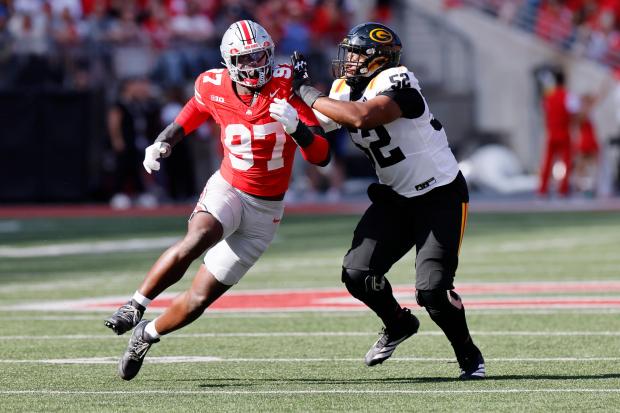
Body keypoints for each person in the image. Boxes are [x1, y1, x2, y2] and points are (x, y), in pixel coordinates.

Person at [105, 20, 330, 381]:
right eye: (247, 58)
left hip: (267, 207)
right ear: (229, 60)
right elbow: (191, 114)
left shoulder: (288, 85)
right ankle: (135, 304)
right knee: (200, 236)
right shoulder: (212, 84)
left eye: (261, 56)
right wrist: (164, 141)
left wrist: (297, 128)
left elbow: (321, 155)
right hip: (229, 185)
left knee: (199, 298)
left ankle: (146, 333)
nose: (256, 65)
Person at [290, 22, 485, 379]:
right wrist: (289, 114)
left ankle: (469, 356)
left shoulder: (400, 82)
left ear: (378, 58)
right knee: (357, 273)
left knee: (432, 292)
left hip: (438, 194)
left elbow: (365, 116)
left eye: (355, 53)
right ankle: (397, 323)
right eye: (347, 52)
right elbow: (317, 128)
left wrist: (306, 92)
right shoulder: (344, 89)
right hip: (396, 196)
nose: (348, 60)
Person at [538, 69, 578, 197]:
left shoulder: (548, 96)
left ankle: (543, 189)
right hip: (564, 132)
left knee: (547, 162)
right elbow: (574, 113)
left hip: (551, 133)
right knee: (566, 161)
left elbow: (545, 112)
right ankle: (563, 189)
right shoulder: (568, 95)